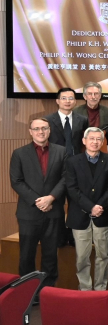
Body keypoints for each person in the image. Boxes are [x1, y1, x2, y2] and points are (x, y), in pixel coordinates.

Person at [11, 116, 66, 290]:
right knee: (27, 255)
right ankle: (27, 291)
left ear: (49, 131)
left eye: (44, 128)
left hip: (53, 211)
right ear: (30, 132)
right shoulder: (19, 153)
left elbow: (66, 178)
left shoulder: (62, 151)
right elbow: (16, 181)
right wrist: (38, 201)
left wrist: (51, 198)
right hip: (28, 213)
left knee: (50, 255)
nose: (41, 132)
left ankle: (47, 291)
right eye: (36, 129)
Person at [65, 127, 108, 291]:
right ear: (84, 141)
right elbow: (72, 189)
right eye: (91, 138)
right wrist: (91, 207)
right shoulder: (72, 161)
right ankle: (85, 289)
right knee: (82, 257)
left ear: (102, 142)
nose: (95, 142)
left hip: (103, 215)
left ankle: (100, 288)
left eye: (98, 139)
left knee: (103, 255)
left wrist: (99, 206)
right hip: (80, 216)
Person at [48, 87, 88, 158]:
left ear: (75, 101)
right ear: (57, 101)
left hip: (76, 159)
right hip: (55, 159)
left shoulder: (83, 120)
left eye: (71, 98)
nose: (67, 101)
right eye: (64, 98)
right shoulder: (48, 120)